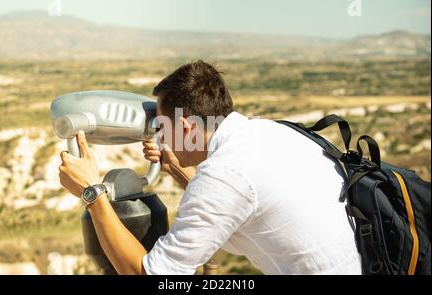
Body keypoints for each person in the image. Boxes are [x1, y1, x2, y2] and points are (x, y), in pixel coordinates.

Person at [58, 60, 361, 275]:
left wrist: (92, 193)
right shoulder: (271, 132)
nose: (160, 137)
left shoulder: (223, 174)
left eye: (162, 127)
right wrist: (177, 170)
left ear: (188, 128)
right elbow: (233, 205)